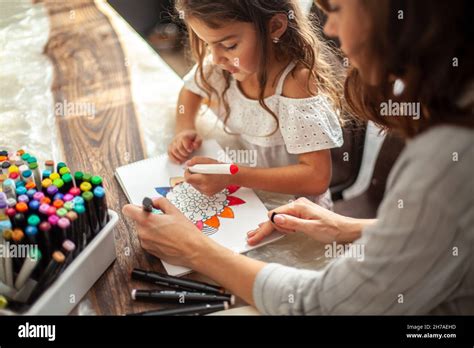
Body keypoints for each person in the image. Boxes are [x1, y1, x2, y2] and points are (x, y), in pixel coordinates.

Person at [123, 0, 474, 314]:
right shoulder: (448, 129)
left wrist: (195, 247)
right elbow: (432, 236)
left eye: (336, 9)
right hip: (272, 212)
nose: (331, 29)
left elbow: (322, 303)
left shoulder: (446, 163)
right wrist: (349, 228)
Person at [167, 0, 345, 207]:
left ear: (275, 27)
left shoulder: (294, 82)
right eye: (207, 43)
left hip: (293, 207)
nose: (215, 58)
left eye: (229, 45)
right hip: (249, 192)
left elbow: (316, 178)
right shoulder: (226, 64)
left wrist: (232, 175)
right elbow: (190, 90)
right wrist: (184, 128)